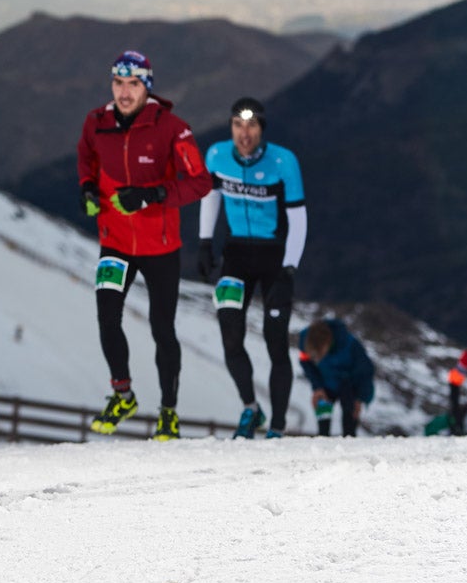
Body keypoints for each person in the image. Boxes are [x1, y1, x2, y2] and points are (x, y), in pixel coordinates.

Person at [77, 50, 212, 440]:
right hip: (115, 242)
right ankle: (123, 394)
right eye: (118, 83)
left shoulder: (172, 128)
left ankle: (168, 412)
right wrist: (87, 187)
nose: (124, 91)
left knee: (162, 329)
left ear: (146, 86)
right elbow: (86, 157)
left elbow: (199, 182)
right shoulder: (96, 123)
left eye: (133, 84)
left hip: (160, 247)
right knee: (107, 317)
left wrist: (151, 194)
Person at [197, 98, 307, 439]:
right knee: (230, 335)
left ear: (262, 128)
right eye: (237, 125)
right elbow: (210, 196)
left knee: (276, 342)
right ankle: (251, 409)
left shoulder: (283, 161)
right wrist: (204, 242)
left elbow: (299, 219)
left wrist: (289, 269)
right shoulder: (216, 156)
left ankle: (277, 426)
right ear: (230, 127)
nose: (244, 134)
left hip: (274, 258)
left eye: (252, 126)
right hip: (236, 256)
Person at [297, 318, 375, 436]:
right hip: (325, 382)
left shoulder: (351, 345)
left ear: (328, 343)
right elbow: (306, 363)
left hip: (349, 384)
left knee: (349, 415)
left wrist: (360, 398)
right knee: (322, 406)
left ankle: (350, 440)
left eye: (320, 354)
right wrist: (317, 387)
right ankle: (323, 439)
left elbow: (366, 373)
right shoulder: (305, 341)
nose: (317, 359)